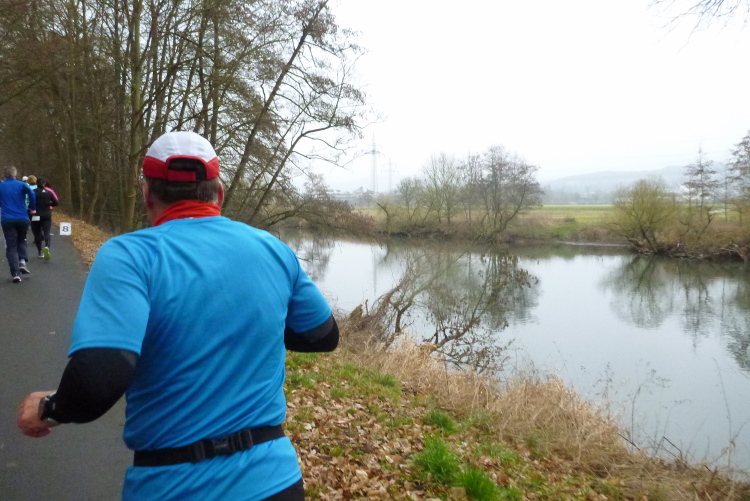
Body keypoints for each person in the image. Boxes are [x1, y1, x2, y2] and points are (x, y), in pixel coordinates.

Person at [17, 131, 338, 500]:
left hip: (172, 485)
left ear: (147, 194)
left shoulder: (129, 256)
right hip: (276, 481)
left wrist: (50, 408)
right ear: (219, 193)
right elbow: (322, 336)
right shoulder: (273, 248)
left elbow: (98, 378)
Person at [0, 166, 36, 282]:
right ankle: (22, 261)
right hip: (22, 217)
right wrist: (32, 207)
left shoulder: (1, 186)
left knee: (11, 246)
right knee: (21, 240)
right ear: (15, 174)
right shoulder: (22, 185)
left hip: (7, 219)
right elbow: (32, 194)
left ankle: (15, 273)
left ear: (4, 175)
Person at [31, 177, 59, 259]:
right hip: (46, 214)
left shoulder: (33, 192)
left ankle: (40, 252)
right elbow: (56, 203)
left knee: (37, 233)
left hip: (36, 214)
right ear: (45, 184)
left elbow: (30, 202)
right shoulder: (49, 192)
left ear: (37, 183)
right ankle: (47, 246)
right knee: (47, 232)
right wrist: (48, 205)